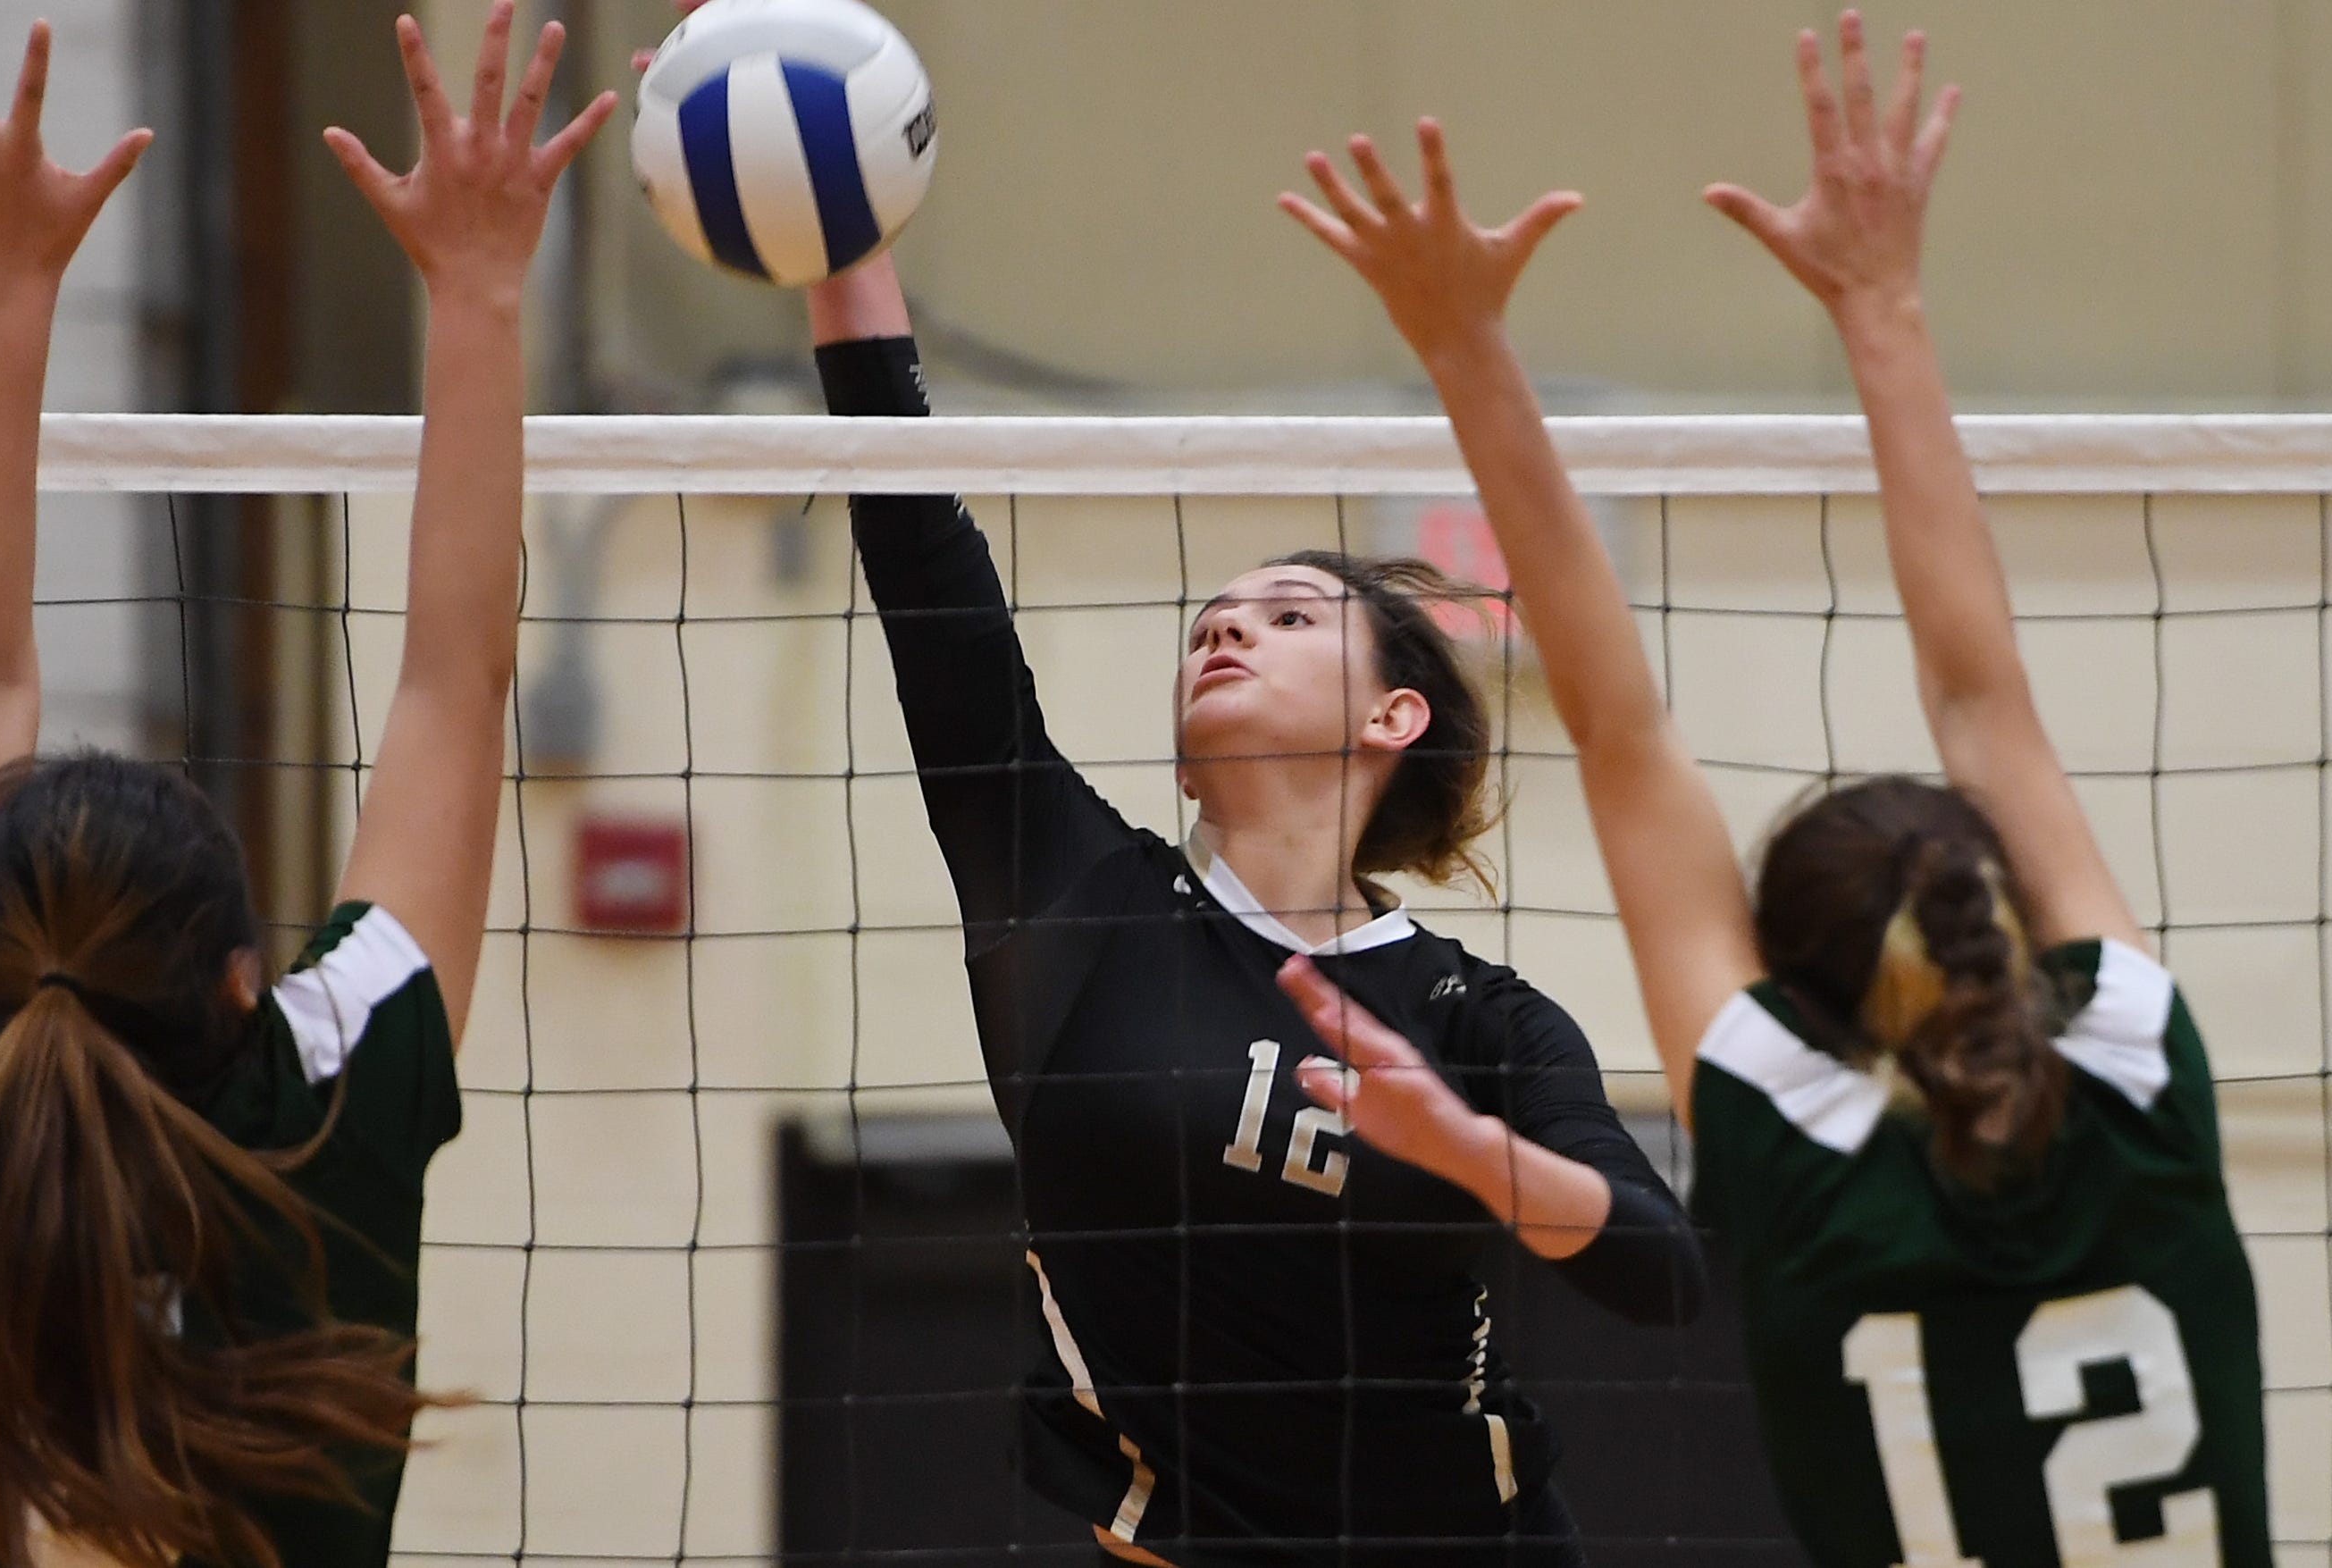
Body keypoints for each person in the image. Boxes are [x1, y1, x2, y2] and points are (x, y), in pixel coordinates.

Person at [700, 33, 1704, 1566]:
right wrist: (842, 230)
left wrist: (1459, 1144)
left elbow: (1659, 1272)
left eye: (1290, 615)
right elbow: (922, 567)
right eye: (1212, 618)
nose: (1226, 625)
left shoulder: (1480, 1023)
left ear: (1392, 716)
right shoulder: (1077, 901)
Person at [1279, 15, 2269, 1567]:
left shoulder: (1795, 1147)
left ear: (1804, 984)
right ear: (1989, 909)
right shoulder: (2136, 1074)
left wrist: (1461, 346)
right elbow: (1979, 695)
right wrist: (1883, 300)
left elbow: (1619, 730)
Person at [0, 8, 612, 1564]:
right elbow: (454, 680)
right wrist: (474, 289)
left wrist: (7, 290)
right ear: (242, 982)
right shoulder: (315, 1100)